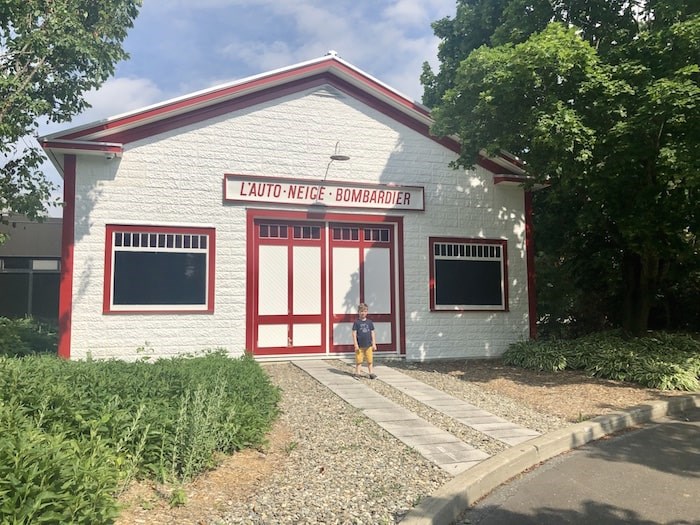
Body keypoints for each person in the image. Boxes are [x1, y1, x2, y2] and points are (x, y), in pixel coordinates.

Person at [352, 303, 377, 379]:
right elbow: (354, 333)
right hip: (359, 346)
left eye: (365, 311)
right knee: (359, 360)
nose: (363, 313)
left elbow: (372, 332)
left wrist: (374, 343)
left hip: (368, 345)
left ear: (367, 312)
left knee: (369, 360)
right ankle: (358, 373)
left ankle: (371, 373)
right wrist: (355, 344)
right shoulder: (356, 322)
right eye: (361, 311)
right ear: (358, 312)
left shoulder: (369, 322)